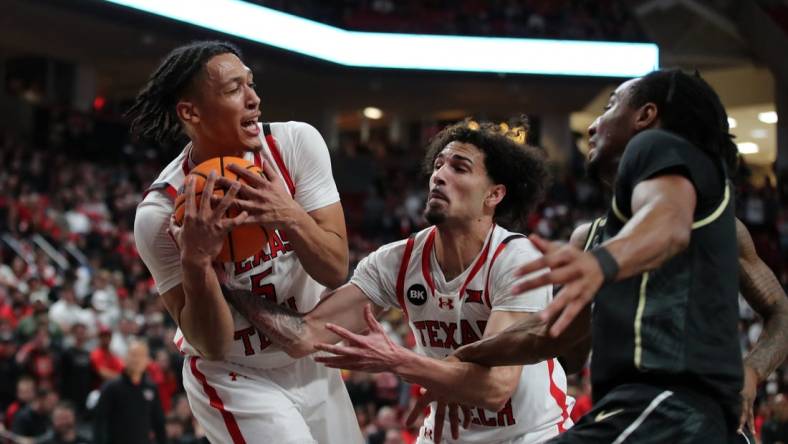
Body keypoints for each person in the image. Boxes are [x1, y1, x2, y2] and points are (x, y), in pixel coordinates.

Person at [448, 69, 786, 443]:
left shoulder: (655, 145)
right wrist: (465, 357)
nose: (593, 125)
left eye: (610, 107)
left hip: (665, 409)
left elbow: (668, 224)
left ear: (645, 116)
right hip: (676, 420)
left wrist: (753, 372)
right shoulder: (592, 236)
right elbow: (554, 338)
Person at [226, 119, 572, 443]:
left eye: (459, 167)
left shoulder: (518, 258)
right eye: (437, 165)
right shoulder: (398, 261)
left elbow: (497, 388)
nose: (439, 176)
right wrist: (227, 283)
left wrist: (398, 360)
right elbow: (307, 336)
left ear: (494, 195)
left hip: (531, 434)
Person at [130, 40, 361, 444]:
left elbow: (335, 268)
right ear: (191, 112)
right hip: (235, 374)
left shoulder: (293, 146)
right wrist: (197, 262)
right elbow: (213, 345)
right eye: (234, 89)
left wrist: (287, 213)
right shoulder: (162, 214)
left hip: (310, 359)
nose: (254, 99)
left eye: (251, 85)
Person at [93, 340, 166, 444]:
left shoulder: (151, 388)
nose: (136, 359)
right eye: (133, 355)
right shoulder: (111, 387)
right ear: (124, 358)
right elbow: (99, 423)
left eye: (141, 355)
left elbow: (158, 422)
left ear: (147, 360)